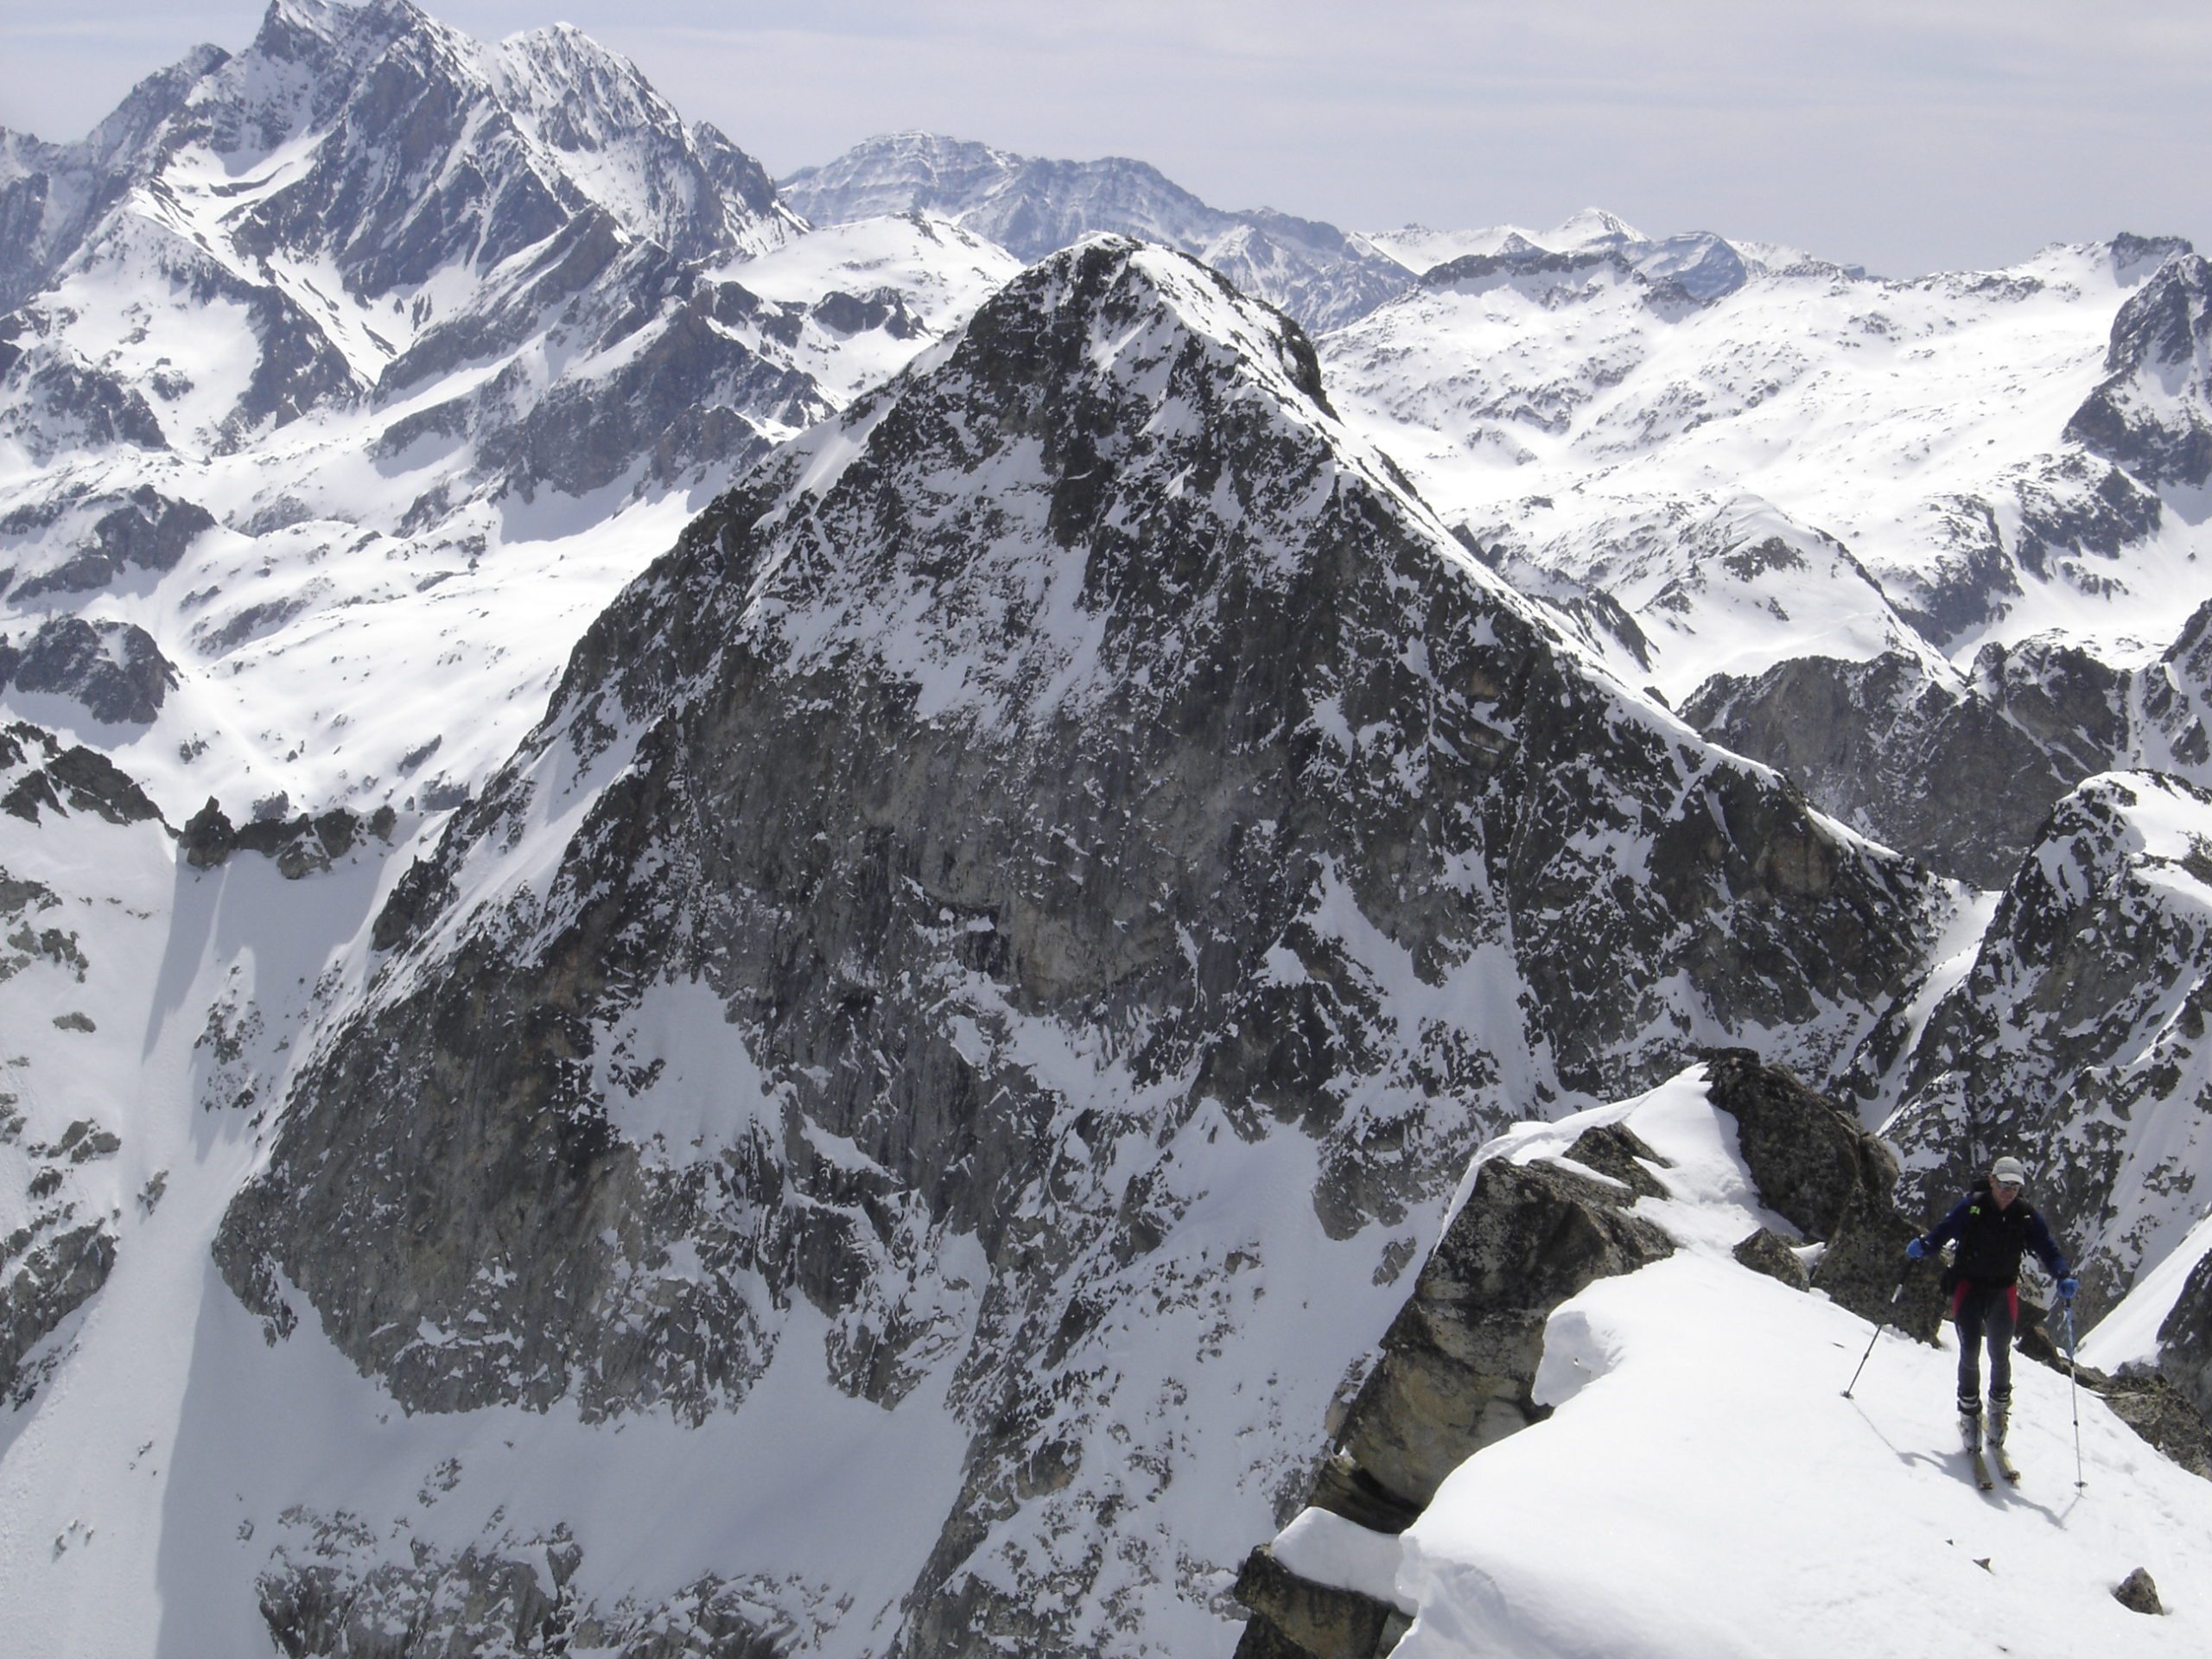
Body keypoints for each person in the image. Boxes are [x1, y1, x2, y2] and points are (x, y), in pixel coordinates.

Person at [1905, 1155, 2077, 1452]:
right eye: (2004, 1183)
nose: (2009, 1190)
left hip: (2002, 1291)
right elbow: (1945, 1230)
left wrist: (2062, 1273)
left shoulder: (2025, 1216)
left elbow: (2047, 1248)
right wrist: (1926, 1245)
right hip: (1969, 1287)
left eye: (2015, 1185)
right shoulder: (1971, 1207)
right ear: (1992, 1181)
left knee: (1999, 1351)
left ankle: (1998, 1413)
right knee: (1970, 1350)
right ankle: (1970, 1414)